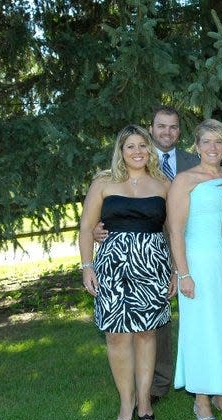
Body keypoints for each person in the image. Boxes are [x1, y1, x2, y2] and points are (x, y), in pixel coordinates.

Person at [94, 106, 199, 404]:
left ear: (180, 131)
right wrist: (96, 233)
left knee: (158, 327)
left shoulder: (193, 162)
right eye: (161, 126)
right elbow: (95, 215)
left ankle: (198, 382)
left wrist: (178, 268)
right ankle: (150, 390)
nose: (167, 132)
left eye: (174, 127)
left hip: (178, 253)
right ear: (151, 128)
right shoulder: (121, 167)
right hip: (126, 259)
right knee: (140, 330)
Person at [79, 125, 176, 420]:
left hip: (153, 266)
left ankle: (145, 400)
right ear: (120, 151)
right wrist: (87, 266)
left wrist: (176, 270)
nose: (137, 152)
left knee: (147, 333)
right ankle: (126, 402)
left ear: (150, 150)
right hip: (112, 266)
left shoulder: (163, 184)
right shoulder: (103, 183)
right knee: (117, 334)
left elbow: (173, 231)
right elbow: (86, 228)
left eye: (143, 146)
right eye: (130, 146)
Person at [166, 119, 222, 420]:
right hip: (198, 263)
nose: (213, 148)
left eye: (220, 142)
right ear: (196, 146)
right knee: (201, 328)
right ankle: (201, 399)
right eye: (207, 142)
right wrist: (183, 273)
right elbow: (176, 230)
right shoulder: (185, 180)